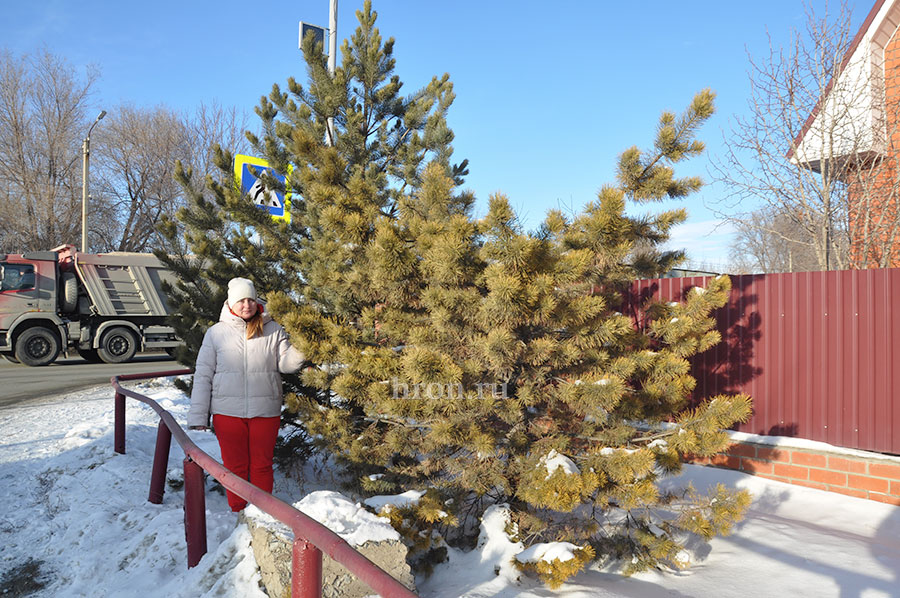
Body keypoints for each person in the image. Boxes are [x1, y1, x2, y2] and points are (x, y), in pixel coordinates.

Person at [188, 277, 304, 511]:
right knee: (234, 468)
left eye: (251, 299)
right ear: (231, 303)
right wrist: (199, 416)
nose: (247, 305)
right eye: (241, 300)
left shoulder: (272, 328)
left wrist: (304, 347)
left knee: (262, 465)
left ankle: (263, 516)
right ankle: (239, 513)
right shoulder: (216, 333)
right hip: (227, 413)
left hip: (265, 410)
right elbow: (203, 375)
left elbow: (286, 364)